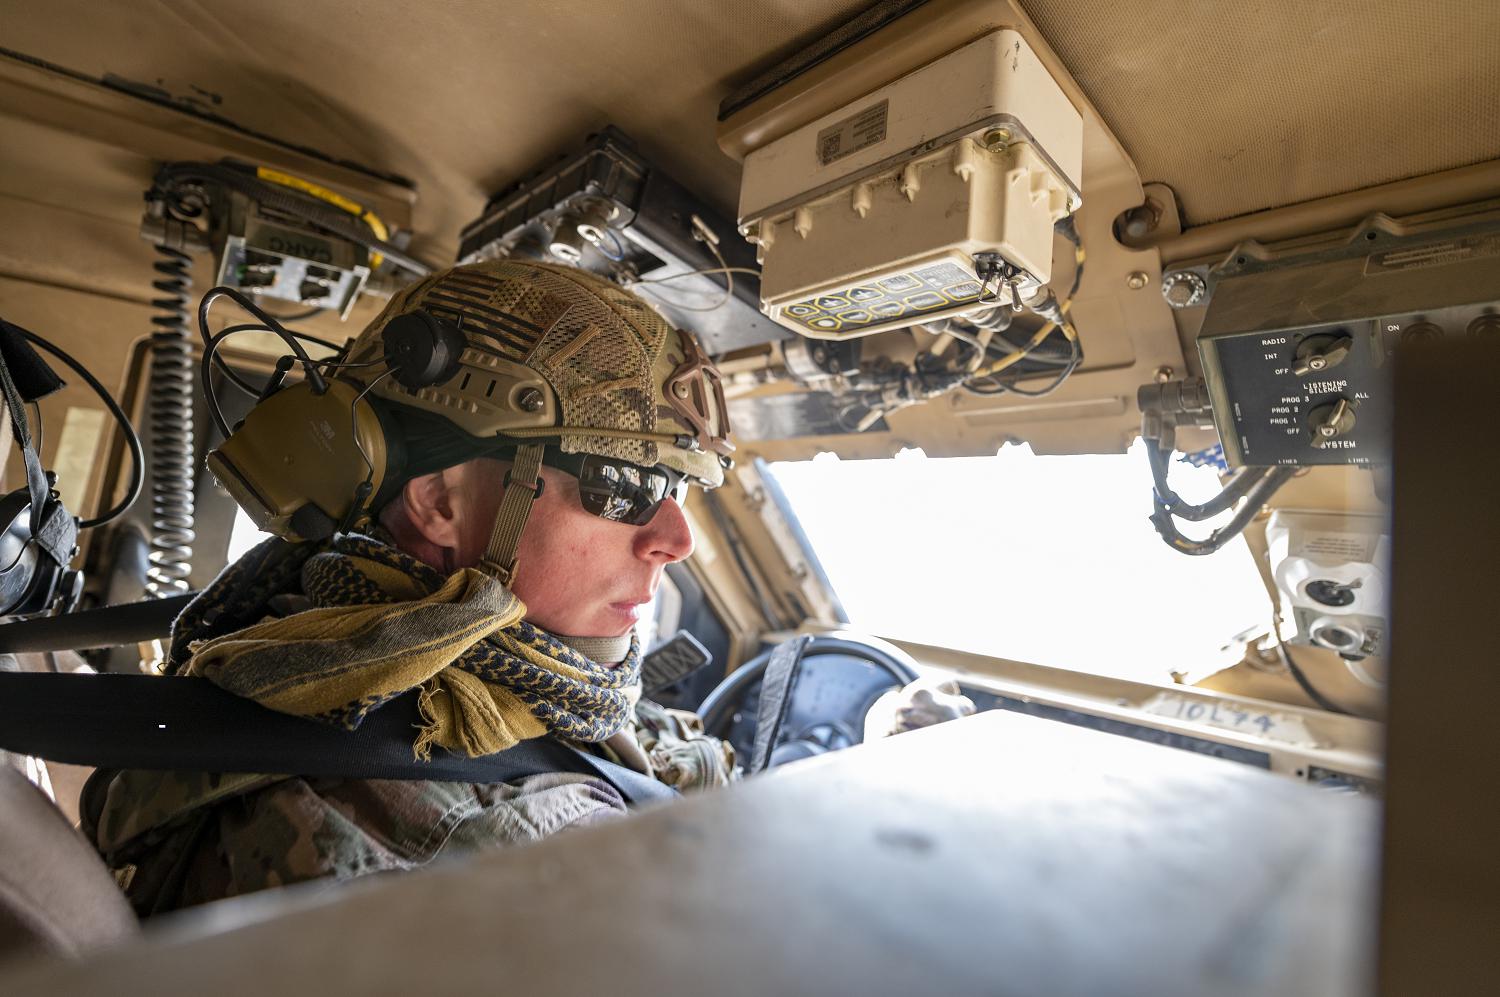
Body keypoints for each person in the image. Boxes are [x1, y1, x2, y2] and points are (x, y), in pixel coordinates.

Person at [83, 259, 969, 916]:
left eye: (677, 490)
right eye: (621, 487)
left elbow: (642, 755)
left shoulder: (342, 645)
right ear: (438, 500)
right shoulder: (487, 844)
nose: (676, 540)